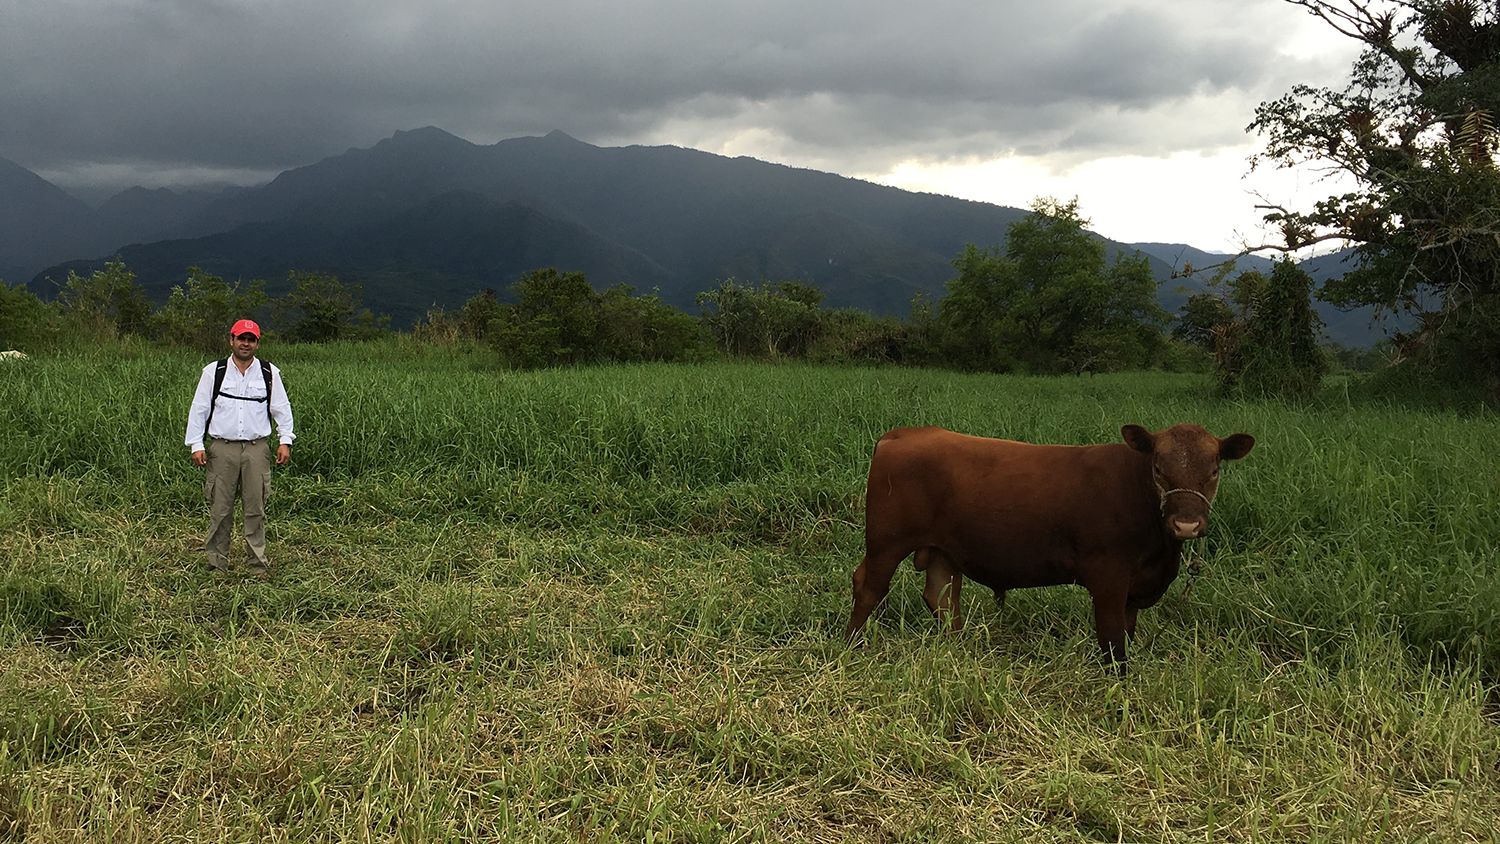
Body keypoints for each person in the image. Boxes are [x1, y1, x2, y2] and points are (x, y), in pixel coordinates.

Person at [184, 319, 295, 576]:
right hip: (222, 449)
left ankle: (257, 565)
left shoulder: (269, 373)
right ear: (231, 340)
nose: (246, 343)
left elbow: (282, 409)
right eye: (241, 338)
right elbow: (199, 409)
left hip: (257, 449)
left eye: (251, 339)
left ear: (258, 342)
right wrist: (196, 445)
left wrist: (285, 440)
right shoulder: (214, 371)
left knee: (255, 508)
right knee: (220, 508)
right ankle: (216, 564)